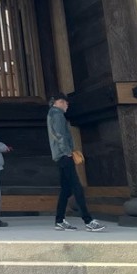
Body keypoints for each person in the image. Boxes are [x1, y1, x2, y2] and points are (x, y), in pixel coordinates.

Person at [47, 94, 105, 232]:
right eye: (66, 104)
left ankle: (59, 220)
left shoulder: (52, 114)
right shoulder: (57, 114)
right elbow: (60, 134)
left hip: (60, 155)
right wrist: (68, 151)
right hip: (64, 155)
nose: (67, 106)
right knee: (77, 187)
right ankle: (88, 220)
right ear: (60, 102)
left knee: (66, 190)